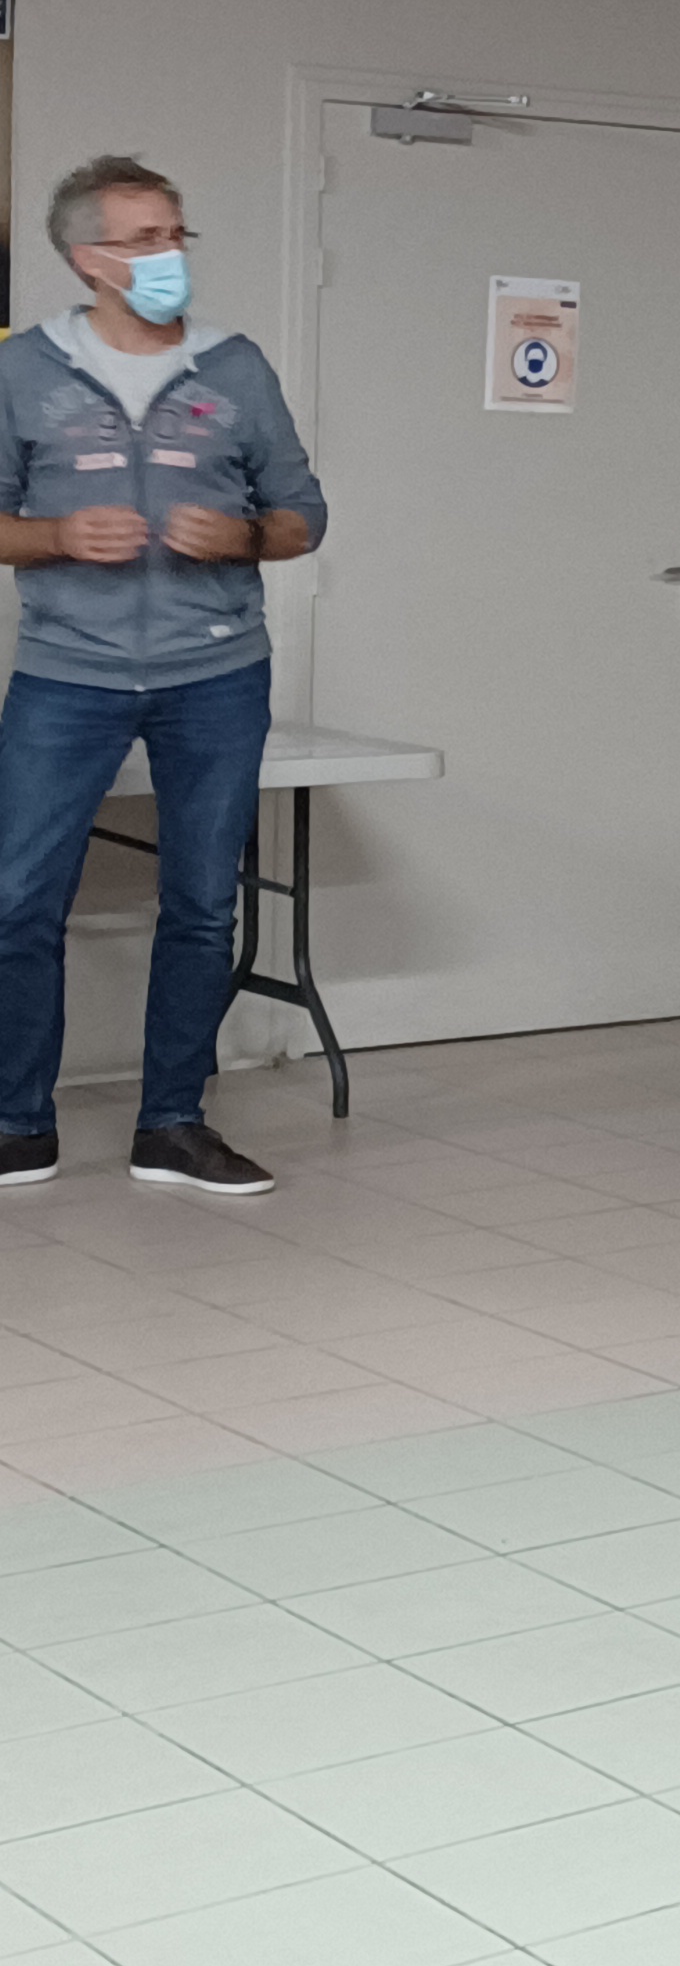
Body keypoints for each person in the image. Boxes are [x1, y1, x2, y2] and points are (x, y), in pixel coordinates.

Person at [0, 158, 325, 1197]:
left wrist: (243, 537)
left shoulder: (235, 368)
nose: (168, 255)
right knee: (17, 900)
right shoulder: (23, 371)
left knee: (200, 904)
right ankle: (18, 1125)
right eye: (144, 239)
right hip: (68, 677)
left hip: (215, 675)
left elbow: (303, 515)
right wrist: (56, 535)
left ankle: (173, 1125)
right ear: (86, 258)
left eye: (177, 234)